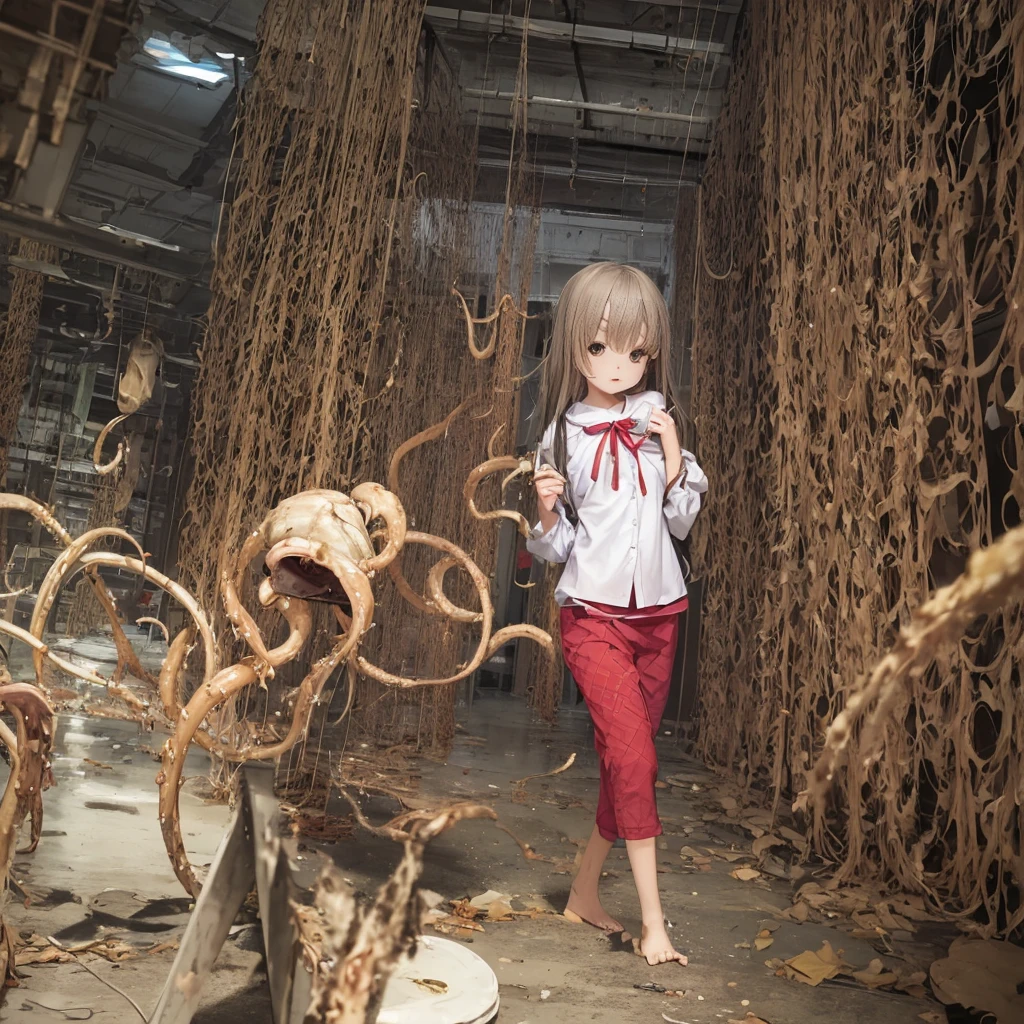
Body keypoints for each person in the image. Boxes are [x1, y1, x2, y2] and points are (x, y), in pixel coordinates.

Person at [526, 261, 707, 967]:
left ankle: (582, 895)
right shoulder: (561, 440)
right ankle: (655, 925)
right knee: (635, 758)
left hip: (660, 617)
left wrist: (669, 454)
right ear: (575, 345)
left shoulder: (662, 427)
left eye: (635, 351)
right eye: (601, 348)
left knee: (621, 769)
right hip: (593, 618)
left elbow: (683, 524)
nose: (618, 365)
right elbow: (560, 547)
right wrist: (544, 513)